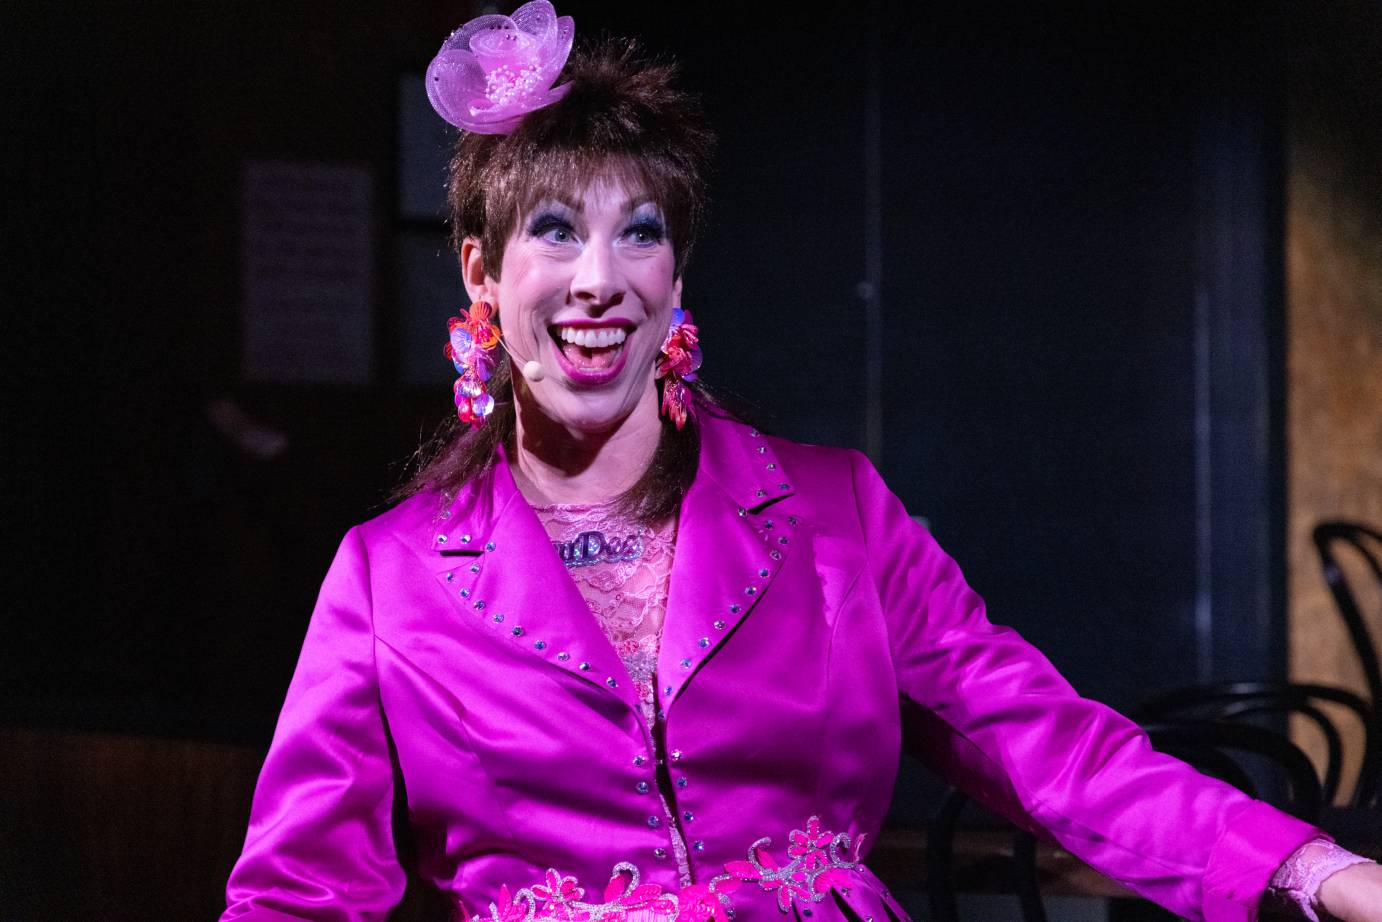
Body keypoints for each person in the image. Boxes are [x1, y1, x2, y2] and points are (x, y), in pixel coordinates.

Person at [222, 4, 1382, 921]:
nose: (598, 280)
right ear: (479, 270)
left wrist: (1311, 867)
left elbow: (1047, 746)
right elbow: (295, 894)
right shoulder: (389, 578)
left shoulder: (834, 514)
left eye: (639, 232)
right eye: (554, 230)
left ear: (675, 275)